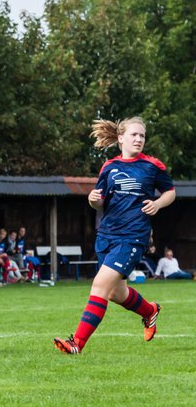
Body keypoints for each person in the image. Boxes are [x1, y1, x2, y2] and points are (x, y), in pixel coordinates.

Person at [54, 117, 176, 355]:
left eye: (142, 135)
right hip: (107, 235)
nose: (139, 139)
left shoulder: (152, 165)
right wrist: (92, 199)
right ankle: (150, 311)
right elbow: (99, 200)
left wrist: (158, 203)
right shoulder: (109, 166)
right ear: (121, 138)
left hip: (133, 236)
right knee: (115, 293)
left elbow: (170, 192)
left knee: (99, 285)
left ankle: (76, 343)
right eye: (134, 135)